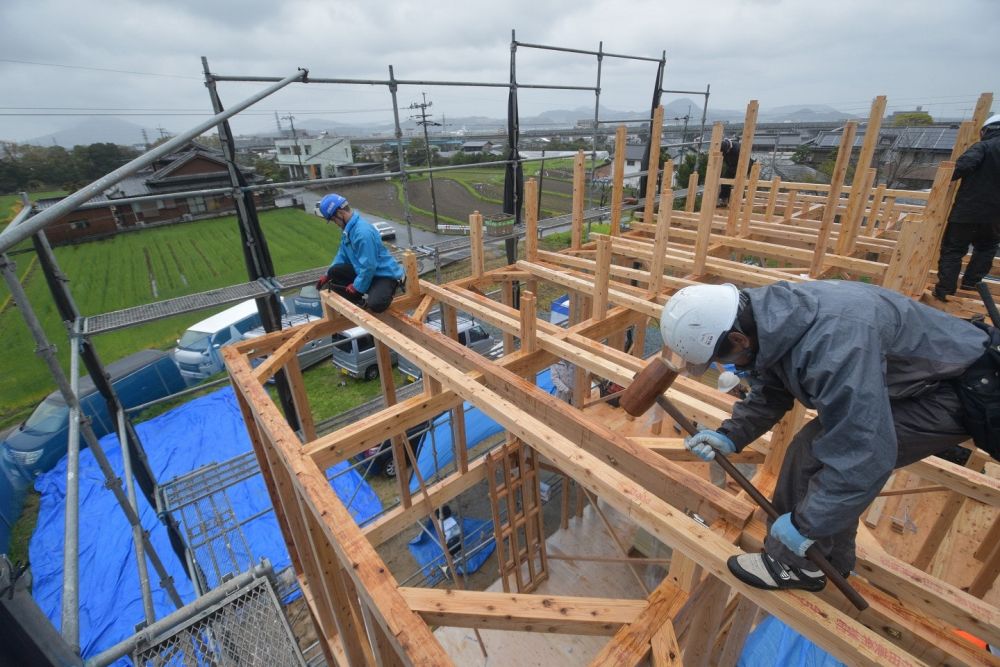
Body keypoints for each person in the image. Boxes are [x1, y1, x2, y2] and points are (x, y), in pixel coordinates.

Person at [659, 280, 998, 593]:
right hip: (918, 376)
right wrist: (731, 435)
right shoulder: (768, 317)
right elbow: (771, 385)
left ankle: (798, 566)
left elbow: (864, 452)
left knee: (820, 455)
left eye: (724, 357)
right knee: (812, 450)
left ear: (737, 338)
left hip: (962, 388)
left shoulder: (835, 345)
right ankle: (830, 559)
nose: (729, 365)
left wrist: (806, 525)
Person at [934, 114, 1000, 302]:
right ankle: (971, 283)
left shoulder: (984, 147)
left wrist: (944, 180)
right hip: (996, 216)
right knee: (986, 248)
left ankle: (945, 290)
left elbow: (960, 168)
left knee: (953, 250)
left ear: (987, 130)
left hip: (968, 211)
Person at [315, 193, 404, 313]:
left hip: (383, 275)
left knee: (376, 304)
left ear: (340, 213)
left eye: (333, 219)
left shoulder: (362, 233)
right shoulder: (349, 231)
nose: (334, 222)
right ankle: (360, 296)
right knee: (334, 271)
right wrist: (327, 274)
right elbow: (342, 255)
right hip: (367, 272)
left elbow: (369, 266)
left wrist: (356, 286)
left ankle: (390, 288)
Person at [718, 138, 754, 207]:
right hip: (732, 166)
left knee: (739, 182)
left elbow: (745, 160)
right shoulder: (723, 149)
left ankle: (741, 201)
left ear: (729, 147)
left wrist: (738, 171)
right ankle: (724, 200)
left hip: (744, 165)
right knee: (725, 180)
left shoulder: (738, 148)